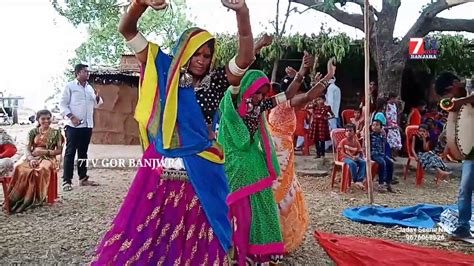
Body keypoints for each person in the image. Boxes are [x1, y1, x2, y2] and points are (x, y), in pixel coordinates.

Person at [92, 0, 258, 264]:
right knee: (157, 221)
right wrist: (140, 3)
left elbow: (246, 57)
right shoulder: (163, 69)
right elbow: (126, 28)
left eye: (206, 55)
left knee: (203, 220)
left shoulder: (214, 83)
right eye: (197, 54)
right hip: (162, 163)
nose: (202, 60)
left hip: (203, 166)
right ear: (184, 51)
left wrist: (243, 13)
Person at [218, 52, 324, 264]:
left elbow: (285, 96)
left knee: (263, 207)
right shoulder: (236, 104)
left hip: (258, 160)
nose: (259, 97)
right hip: (236, 162)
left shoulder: (260, 107)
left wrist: (302, 72)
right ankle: (234, 249)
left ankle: (258, 250)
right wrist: (254, 48)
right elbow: (234, 84)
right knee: (239, 211)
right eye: (257, 93)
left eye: (262, 94)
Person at [268, 59, 336, 252]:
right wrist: (328, 76)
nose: (294, 92)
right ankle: (273, 236)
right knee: (278, 193)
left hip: (281, 150)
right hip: (279, 153)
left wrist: (302, 70)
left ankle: (273, 235)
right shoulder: (284, 105)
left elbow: (303, 93)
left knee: (281, 192)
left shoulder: (278, 105)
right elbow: (307, 95)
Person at [435, 72, 474, 240]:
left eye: (449, 93)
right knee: (465, 188)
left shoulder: (470, 86)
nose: (450, 97)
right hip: (471, 149)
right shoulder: (456, 103)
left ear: (455, 84)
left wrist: (459, 101)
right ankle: (463, 226)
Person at [6, 110, 63, 214]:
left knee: (41, 169)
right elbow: (27, 148)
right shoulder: (32, 132)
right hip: (32, 155)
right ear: (38, 120)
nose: (46, 121)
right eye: (43, 119)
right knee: (19, 167)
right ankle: (18, 197)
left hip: (49, 157)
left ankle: (35, 198)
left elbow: (59, 150)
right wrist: (31, 158)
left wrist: (45, 151)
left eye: (48, 118)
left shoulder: (56, 133)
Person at [59, 63, 103, 191]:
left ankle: (83, 178)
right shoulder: (70, 86)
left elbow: (96, 104)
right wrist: (72, 117)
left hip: (87, 125)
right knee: (70, 153)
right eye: (85, 71)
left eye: (88, 71)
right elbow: (63, 105)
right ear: (77, 73)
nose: (87, 73)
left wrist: (97, 98)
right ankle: (67, 181)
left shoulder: (89, 88)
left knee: (83, 153)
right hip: (73, 126)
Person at [338, 123, 366, 190]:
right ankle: (355, 180)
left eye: (350, 131)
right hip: (344, 158)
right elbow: (342, 153)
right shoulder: (343, 142)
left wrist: (357, 156)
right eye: (347, 131)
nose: (348, 132)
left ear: (354, 132)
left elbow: (359, 152)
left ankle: (360, 180)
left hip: (354, 157)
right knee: (352, 163)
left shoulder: (356, 142)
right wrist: (351, 158)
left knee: (363, 162)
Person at [370, 120, 394, 193]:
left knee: (390, 162)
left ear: (380, 127)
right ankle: (381, 183)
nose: (374, 127)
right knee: (382, 163)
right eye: (373, 125)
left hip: (381, 154)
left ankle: (388, 182)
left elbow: (383, 146)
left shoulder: (382, 135)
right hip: (373, 154)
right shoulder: (370, 135)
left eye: (377, 125)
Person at [325, 77, 341, 149]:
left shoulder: (330, 88)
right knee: (333, 128)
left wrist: (328, 112)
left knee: (332, 129)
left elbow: (330, 101)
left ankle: (335, 145)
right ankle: (333, 145)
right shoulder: (337, 88)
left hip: (331, 113)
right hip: (335, 112)